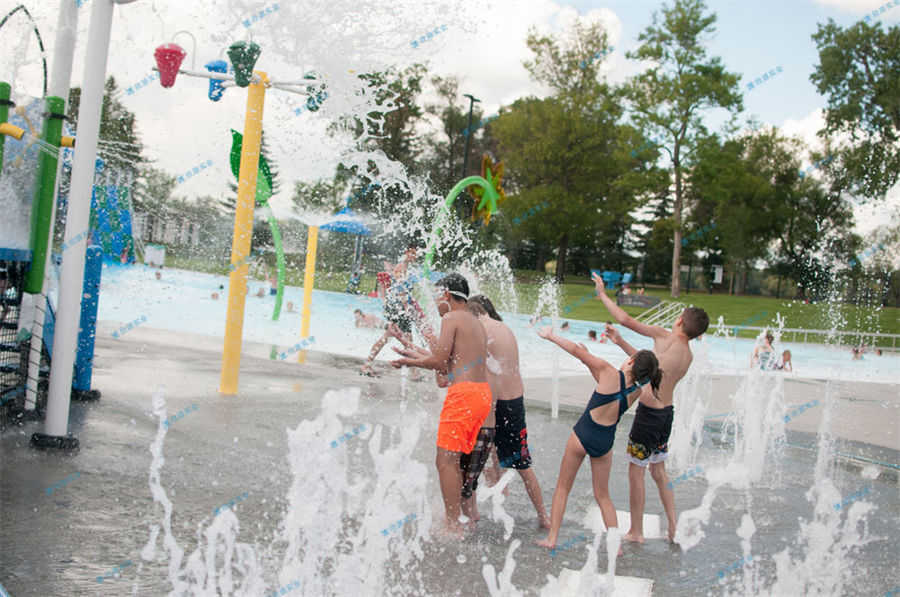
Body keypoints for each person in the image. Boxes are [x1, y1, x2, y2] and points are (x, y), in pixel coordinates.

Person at [594, 272, 709, 543]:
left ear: (679, 321)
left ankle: (636, 532)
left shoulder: (664, 336)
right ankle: (673, 526)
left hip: (647, 417)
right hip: (666, 416)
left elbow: (625, 319)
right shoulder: (688, 355)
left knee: (636, 472)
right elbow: (651, 369)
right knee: (658, 471)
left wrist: (602, 294)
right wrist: (621, 342)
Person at [535, 325, 663, 552]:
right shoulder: (636, 392)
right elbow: (609, 390)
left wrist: (551, 336)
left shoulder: (608, 371)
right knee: (603, 496)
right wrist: (589, 362)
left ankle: (552, 538)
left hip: (582, 435)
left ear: (631, 360)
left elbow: (576, 351)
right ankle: (616, 547)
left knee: (563, 487)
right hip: (604, 443)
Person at [390, 273, 491, 539]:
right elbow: (449, 366)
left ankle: (453, 525)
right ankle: (455, 518)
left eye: (437, 297)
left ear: (446, 295)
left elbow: (438, 362)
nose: (436, 303)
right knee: (453, 460)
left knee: (445, 460)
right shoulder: (475, 321)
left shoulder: (451, 318)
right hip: (480, 395)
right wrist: (413, 352)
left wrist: (407, 363)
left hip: (463, 397)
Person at [467, 295, 551, 529]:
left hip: (496, 405)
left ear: (473, 314)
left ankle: (472, 514)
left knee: (472, 457)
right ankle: (543, 515)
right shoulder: (503, 328)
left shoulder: (481, 330)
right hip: (514, 403)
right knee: (521, 463)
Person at [360, 246, 419, 377]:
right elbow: (401, 289)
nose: (415, 256)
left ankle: (412, 370)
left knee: (402, 338)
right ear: (407, 252)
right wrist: (406, 308)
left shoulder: (405, 267)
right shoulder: (401, 267)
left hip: (397, 307)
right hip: (398, 308)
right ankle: (367, 364)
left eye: (417, 254)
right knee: (396, 338)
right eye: (413, 253)